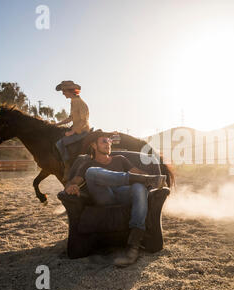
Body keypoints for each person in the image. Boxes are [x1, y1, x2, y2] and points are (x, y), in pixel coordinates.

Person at [64, 129, 166, 267]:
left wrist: (147, 178)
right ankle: (142, 180)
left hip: (123, 194)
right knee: (92, 172)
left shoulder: (120, 160)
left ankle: (133, 247)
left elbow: (138, 173)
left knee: (139, 186)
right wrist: (70, 186)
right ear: (94, 145)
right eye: (104, 141)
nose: (108, 144)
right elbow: (73, 181)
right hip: (104, 196)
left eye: (110, 141)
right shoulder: (87, 163)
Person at [55, 80, 91, 182]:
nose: (63, 93)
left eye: (64, 91)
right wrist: (58, 124)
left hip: (83, 130)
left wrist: (72, 131)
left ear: (70, 91)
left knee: (61, 143)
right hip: (77, 128)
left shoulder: (80, 103)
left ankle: (67, 167)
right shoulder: (74, 101)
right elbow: (71, 118)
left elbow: (84, 120)